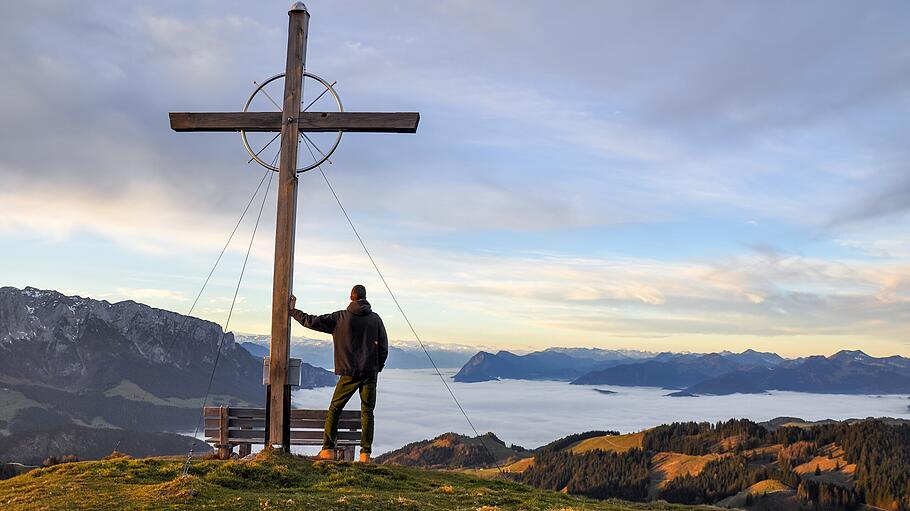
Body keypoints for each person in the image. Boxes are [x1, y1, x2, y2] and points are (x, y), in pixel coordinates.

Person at [289, 284, 388, 463]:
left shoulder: (340, 317)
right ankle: (365, 455)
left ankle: (328, 450)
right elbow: (384, 347)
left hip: (348, 373)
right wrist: (376, 367)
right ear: (365, 298)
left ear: (351, 297)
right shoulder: (376, 319)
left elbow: (312, 321)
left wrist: (293, 311)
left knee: (335, 408)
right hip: (369, 374)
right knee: (367, 412)